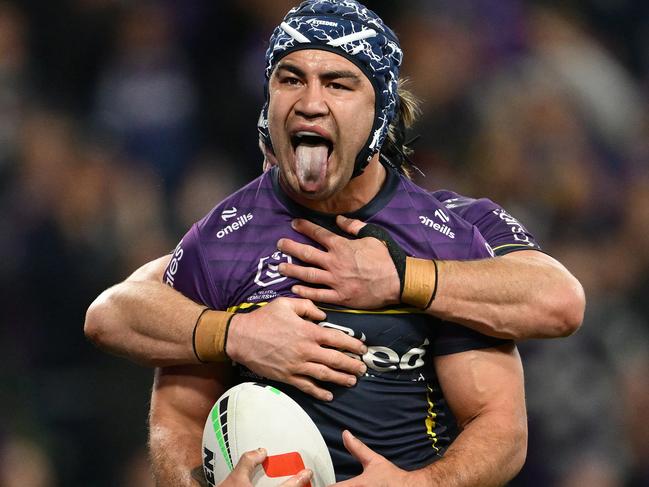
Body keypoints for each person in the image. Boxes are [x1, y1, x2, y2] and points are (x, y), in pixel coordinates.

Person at [85, 1, 584, 485]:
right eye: (290, 78)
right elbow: (171, 410)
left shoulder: (453, 234)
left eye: (338, 83)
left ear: (380, 112)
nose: (310, 102)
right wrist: (237, 334)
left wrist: (401, 278)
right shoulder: (225, 236)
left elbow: (504, 417)